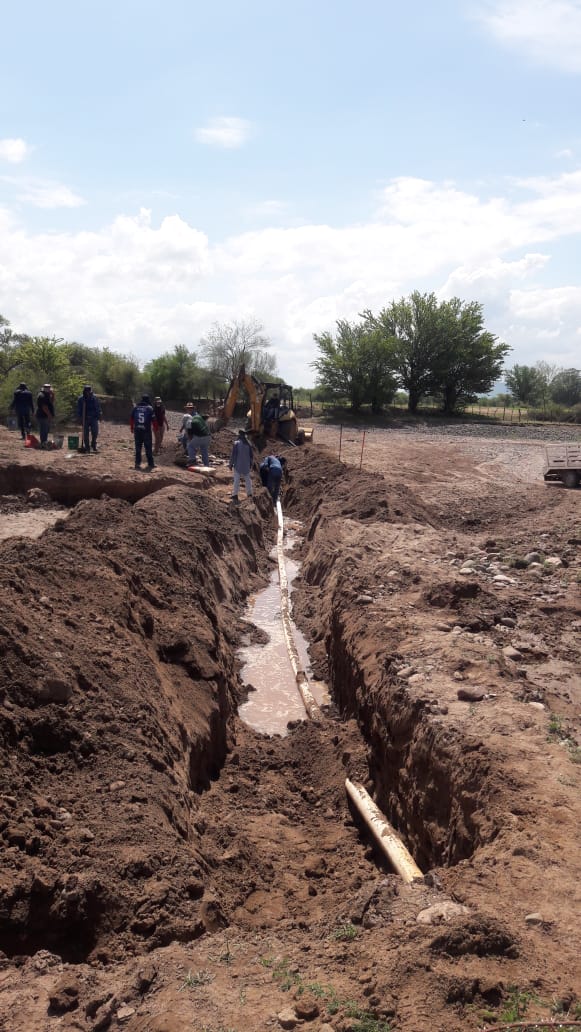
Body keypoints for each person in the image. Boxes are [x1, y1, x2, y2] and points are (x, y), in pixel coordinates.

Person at [130, 395, 155, 471]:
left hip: (137, 430)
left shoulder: (136, 408)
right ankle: (150, 464)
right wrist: (156, 428)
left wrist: (132, 427)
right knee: (148, 447)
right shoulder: (149, 408)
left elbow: (131, 418)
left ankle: (137, 463)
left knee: (138, 447)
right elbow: (154, 420)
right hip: (146, 431)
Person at [229, 429, 254, 503]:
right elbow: (251, 456)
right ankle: (249, 493)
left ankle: (235, 495)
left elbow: (234, 455)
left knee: (236, 480)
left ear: (239, 435)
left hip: (238, 465)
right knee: (248, 479)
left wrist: (231, 464)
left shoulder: (236, 443)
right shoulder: (249, 444)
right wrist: (250, 464)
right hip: (246, 465)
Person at [76, 384, 102, 453]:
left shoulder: (94, 398)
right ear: (84, 391)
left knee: (95, 432)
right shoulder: (81, 399)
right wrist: (79, 418)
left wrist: (99, 415)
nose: (88, 393)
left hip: (94, 418)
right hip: (85, 418)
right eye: (86, 391)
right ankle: (87, 447)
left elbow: (98, 407)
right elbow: (78, 409)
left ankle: (93, 445)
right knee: (85, 434)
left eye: (89, 391)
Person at [35, 383, 55, 448]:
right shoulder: (42, 395)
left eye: (49, 388)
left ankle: (44, 443)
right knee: (43, 430)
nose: (49, 389)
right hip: (42, 415)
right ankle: (43, 443)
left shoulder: (47, 395)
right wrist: (49, 415)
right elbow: (44, 407)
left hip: (45, 415)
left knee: (45, 430)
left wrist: (53, 395)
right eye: (47, 388)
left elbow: (51, 402)